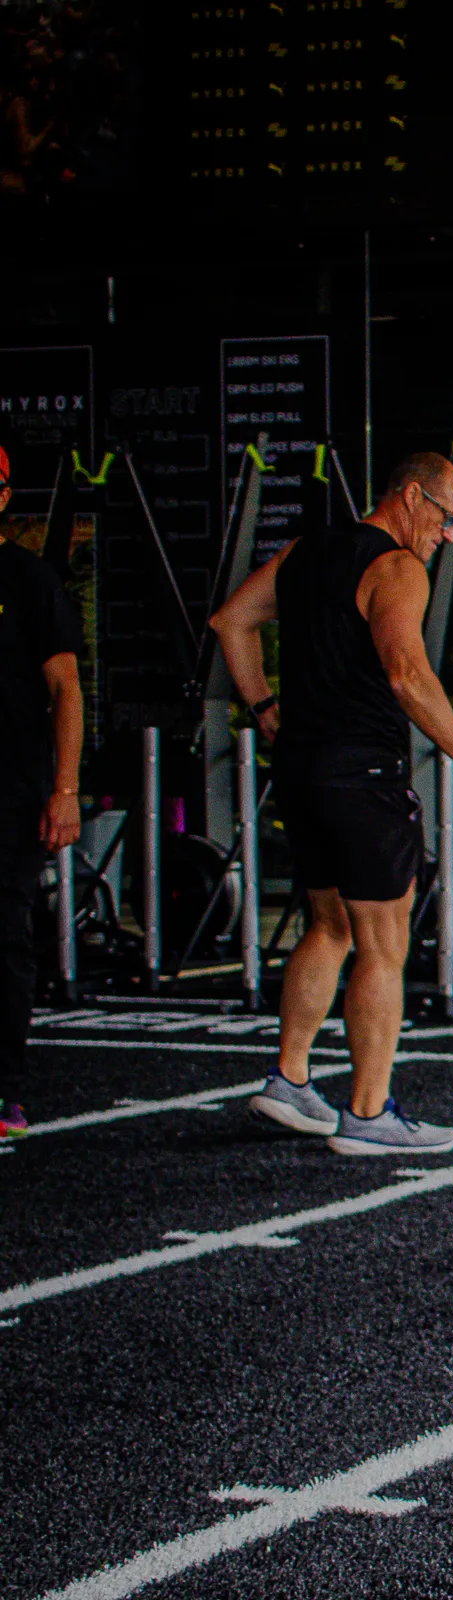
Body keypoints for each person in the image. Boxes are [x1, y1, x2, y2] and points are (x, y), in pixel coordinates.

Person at [210, 452, 453, 1156]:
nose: (445, 537)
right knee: (385, 941)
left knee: (329, 925)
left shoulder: (304, 552)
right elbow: (407, 674)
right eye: (446, 520)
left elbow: (231, 622)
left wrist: (263, 708)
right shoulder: (396, 567)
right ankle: (369, 1113)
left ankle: (289, 1078)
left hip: (301, 766)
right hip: (364, 770)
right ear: (411, 498)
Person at [0, 444, 83, 1137]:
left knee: (4, 935)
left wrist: (65, 788)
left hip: (12, 790)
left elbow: (66, 688)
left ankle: (5, 1093)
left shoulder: (28, 580)